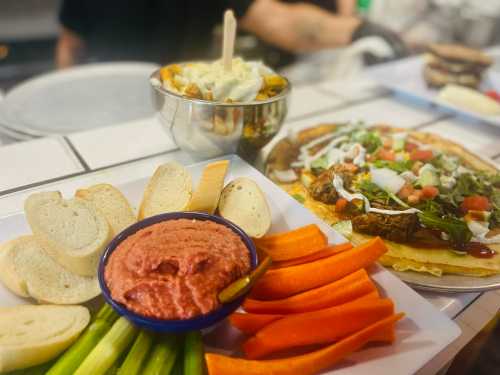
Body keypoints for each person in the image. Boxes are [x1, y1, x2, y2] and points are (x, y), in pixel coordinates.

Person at [56, 0, 363, 69]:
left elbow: (280, 21)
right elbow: (70, 47)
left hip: (187, 108)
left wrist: (358, 30)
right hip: (109, 108)